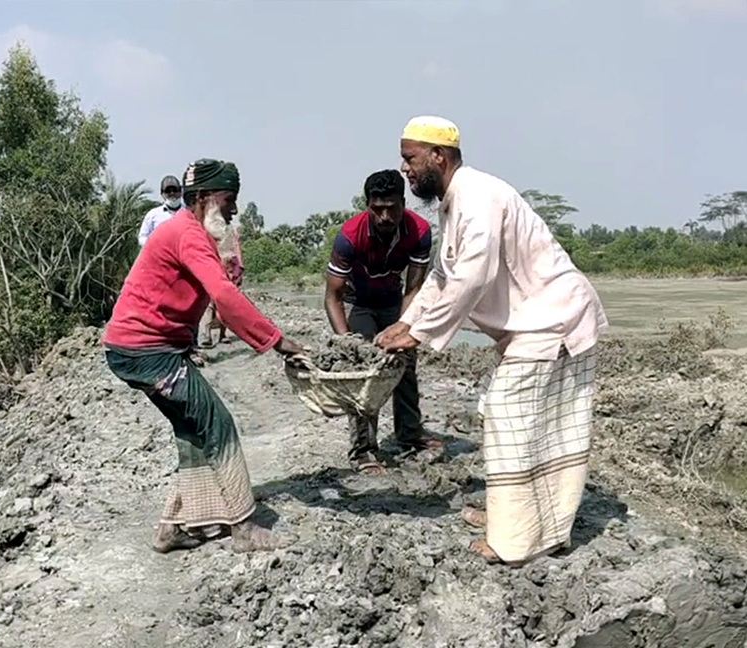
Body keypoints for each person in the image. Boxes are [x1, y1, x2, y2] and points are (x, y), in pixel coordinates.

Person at [376, 116, 609, 565]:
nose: (404, 169)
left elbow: (473, 274)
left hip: (554, 318)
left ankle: (516, 542)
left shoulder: (478, 196)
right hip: (539, 322)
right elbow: (444, 274)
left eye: (409, 158)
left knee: (510, 414)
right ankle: (526, 522)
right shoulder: (456, 201)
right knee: (532, 424)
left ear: (437, 156)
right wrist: (408, 322)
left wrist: (420, 334)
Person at [103, 158, 305, 554]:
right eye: (229, 199)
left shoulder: (187, 232)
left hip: (138, 349)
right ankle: (244, 528)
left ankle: (172, 529)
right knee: (219, 425)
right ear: (203, 199)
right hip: (146, 353)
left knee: (193, 430)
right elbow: (224, 297)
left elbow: (169, 295)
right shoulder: (189, 234)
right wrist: (277, 341)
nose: (233, 209)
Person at [325, 169, 440, 475]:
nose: (385, 217)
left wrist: (404, 328)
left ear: (404, 203)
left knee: (405, 364)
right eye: (377, 209)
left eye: (392, 208)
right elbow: (332, 297)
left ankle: (410, 435)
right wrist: (347, 343)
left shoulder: (419, 232)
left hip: (394, 302)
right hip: (359, 304)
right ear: (367, 206)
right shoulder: (349, 237)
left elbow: (414, 288)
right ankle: (363, 449)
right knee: (365, 374)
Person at [198, 222, 244, 347]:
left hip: (230, 266)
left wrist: (240, 268)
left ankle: (222, 334)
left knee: (225, 304)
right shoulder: (206, 228)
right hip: (213, 265)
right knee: (209, 304)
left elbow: (237, 248)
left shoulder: (231, 229)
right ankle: (207, 334)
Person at [137, 175, 183, 248]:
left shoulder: (189, 213)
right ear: (162, 194)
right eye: (168, 191)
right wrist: (154, 246)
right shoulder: (153, 215)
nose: (172, 193)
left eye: (175, 190)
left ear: (180, 192)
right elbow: (142, 237)